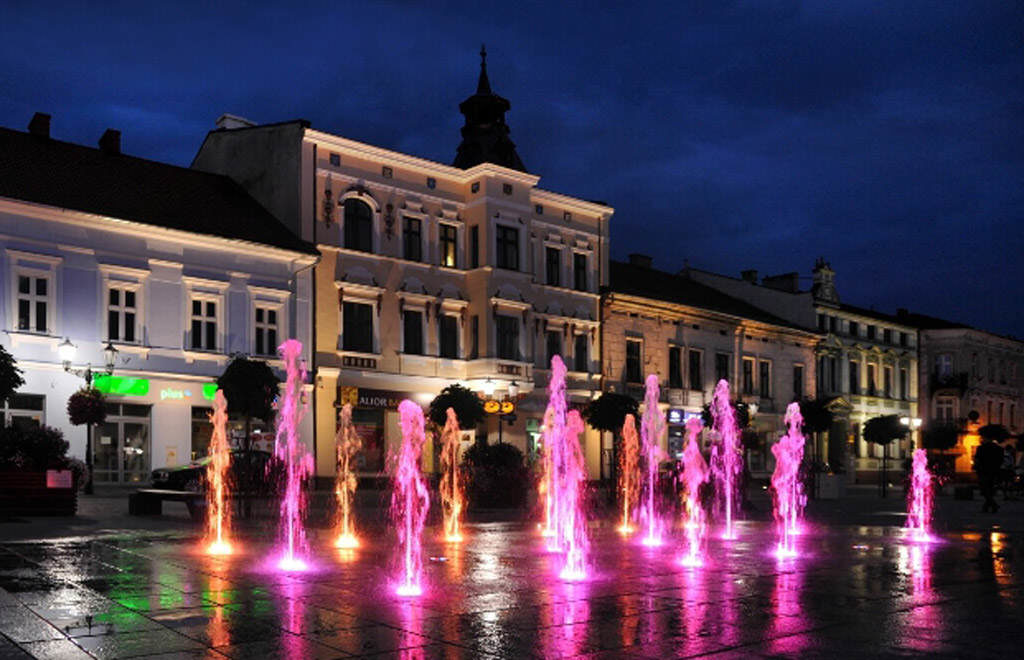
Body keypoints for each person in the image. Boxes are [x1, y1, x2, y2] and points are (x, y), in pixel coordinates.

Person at [974, 436, 1004, 512]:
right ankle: (988, 507)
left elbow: (977, 459)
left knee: (984, 489)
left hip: (983, 471)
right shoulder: (999, 449)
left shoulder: (981, 448)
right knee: (990, 489)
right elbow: (1001, 460)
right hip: (995, 471)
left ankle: (993, 505)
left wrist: (976, 467)